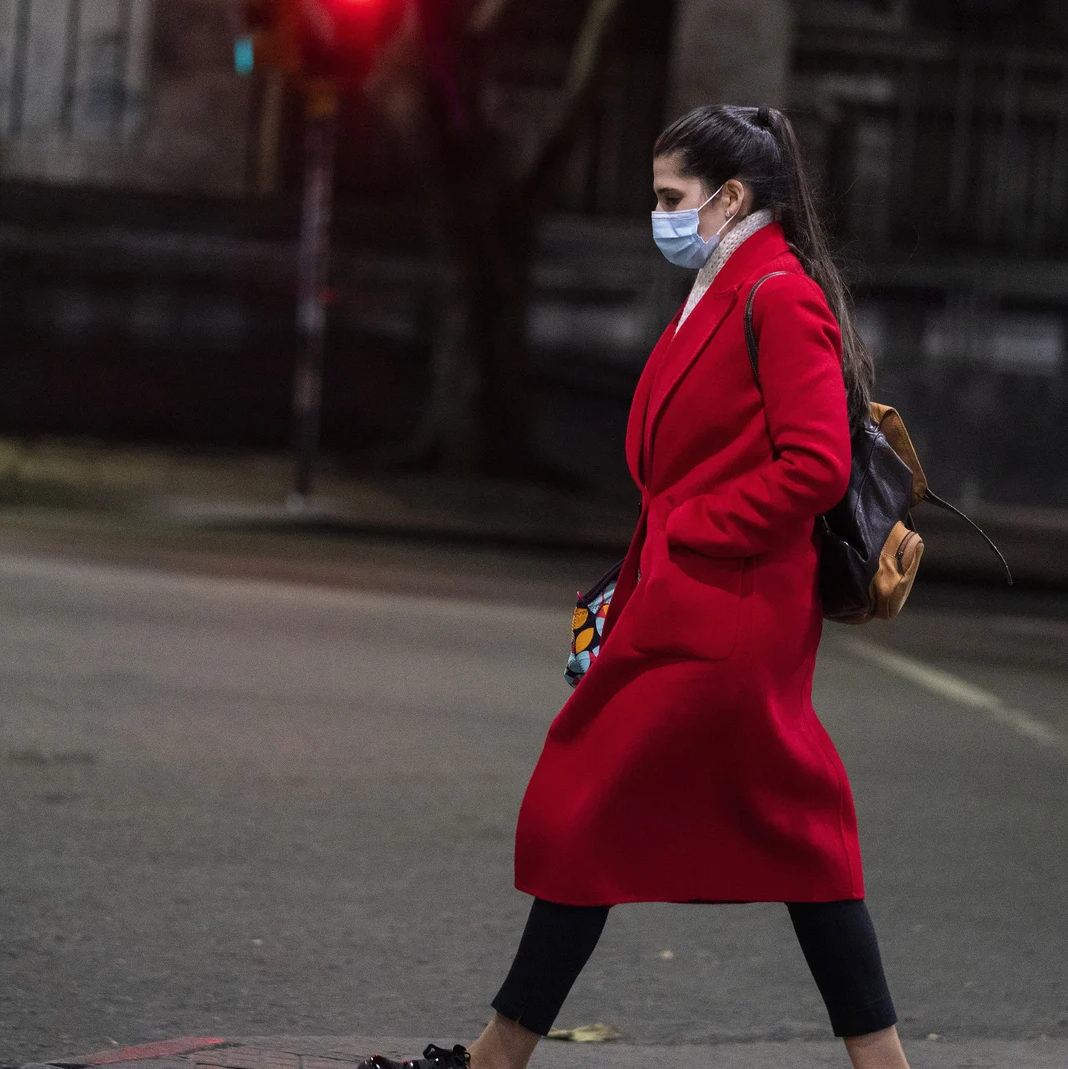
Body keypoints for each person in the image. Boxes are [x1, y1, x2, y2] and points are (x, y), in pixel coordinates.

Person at [357, 105, 909, 1069]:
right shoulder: (724, 283)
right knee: (794, 840)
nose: (657, 214)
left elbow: (816, 466)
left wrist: (691, 528)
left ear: (730, 196)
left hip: (725, 623)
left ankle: (495, 1058)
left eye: (670, 196)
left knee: (597, 809)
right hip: (694, 609)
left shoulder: (775, 295)